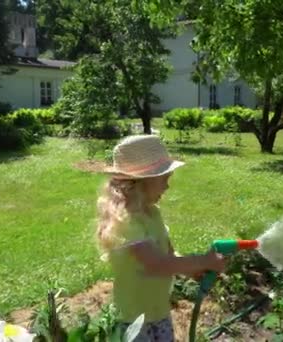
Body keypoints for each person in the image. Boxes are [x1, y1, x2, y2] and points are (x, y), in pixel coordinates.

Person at [95, 135, 226, 341]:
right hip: (133, 321)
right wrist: (203, 260)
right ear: (141, 182)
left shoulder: (153, 214)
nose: (167, 186)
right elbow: (156, 264)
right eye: (164, 179)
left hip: (159, 312)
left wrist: (192, 269)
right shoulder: (127, 222)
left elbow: (169, 255)